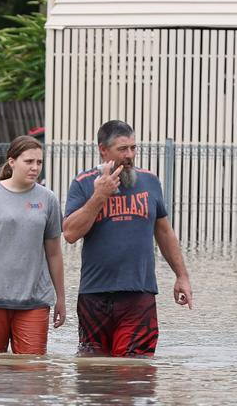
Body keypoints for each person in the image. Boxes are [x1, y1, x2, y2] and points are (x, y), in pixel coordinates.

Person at [63, 120, 193, 358]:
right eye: (122, 149)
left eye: (133, 148)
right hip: (94, 294)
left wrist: (181, 276)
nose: (130, 155)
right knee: (94, 374)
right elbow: (70, 233)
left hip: (138, 293)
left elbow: (164, 232)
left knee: (135, 371)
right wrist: (99, 195)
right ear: (103, 150)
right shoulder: (83, 183)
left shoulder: (150, 181)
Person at [0, 135, 66, 354]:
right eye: (29, 162)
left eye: (39, 162)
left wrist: (61, 298)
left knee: (32, 373)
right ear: (12, 162)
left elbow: (54, 253)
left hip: (35, 300)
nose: (35, 167)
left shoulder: (48, 199)